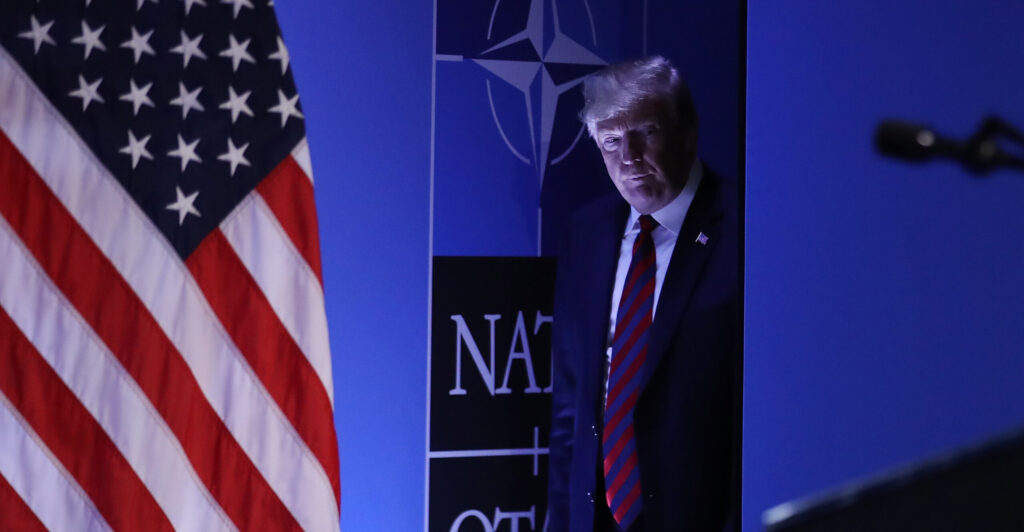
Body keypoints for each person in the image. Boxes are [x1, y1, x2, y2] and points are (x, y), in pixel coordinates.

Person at [547, 56, 739, 532]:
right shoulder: (587, 233)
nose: (629, 157)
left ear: (687, 132)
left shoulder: (746, 229)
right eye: (612, 141)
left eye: (646, 133)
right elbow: (571, 405)